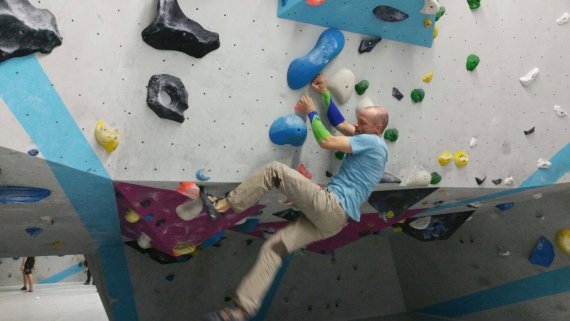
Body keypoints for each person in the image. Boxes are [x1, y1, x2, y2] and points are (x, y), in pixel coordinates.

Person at [201, 75, 389, 321]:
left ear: (377, 129)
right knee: (275, 248)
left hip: (332, 206)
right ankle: (238, 313)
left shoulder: (374, 143)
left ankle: (223, 205)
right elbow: (340, 123)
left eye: (363, 122)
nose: (357, 124)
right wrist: (325, 94)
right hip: (333, 223)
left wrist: (311, 112)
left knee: (275, 171)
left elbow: (327, 140)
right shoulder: (368, 140)